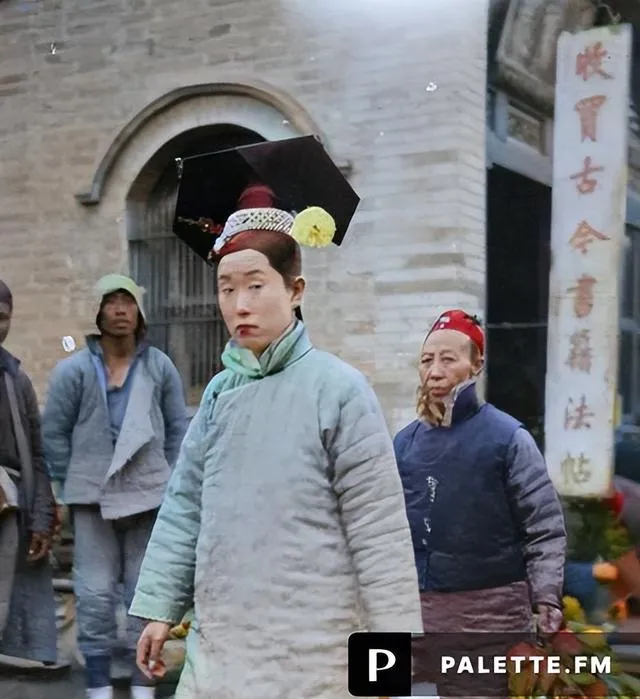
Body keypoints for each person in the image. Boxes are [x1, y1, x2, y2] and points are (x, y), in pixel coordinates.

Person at [129, 136, 423, 699]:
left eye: (256, 285)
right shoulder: (218, 396)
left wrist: (387, 655)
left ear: (295, 290)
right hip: (221, 650)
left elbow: (378, 530)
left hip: (316, 654)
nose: (239, 304)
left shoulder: (340, 390)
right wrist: (161, 609)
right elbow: (184, 508)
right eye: (227, 288)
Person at [394, 309, 567, 697]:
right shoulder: (403, 444)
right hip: (415, 622)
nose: (434, 371)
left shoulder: (508, 438)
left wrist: (546, 598)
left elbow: (544, 529)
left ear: (476, 364)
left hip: (490, 623)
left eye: (448, 359)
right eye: (427, 360)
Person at [42, 274, 188, 699]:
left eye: (128, 302)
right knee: (93, 593)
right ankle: (98, 686)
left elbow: (178, 429)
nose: (121, 310)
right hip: (92, 501)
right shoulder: (74, 371)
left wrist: (165, 478)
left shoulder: (158, 367)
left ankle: (143, 686)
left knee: (145, 592)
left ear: (140, 312)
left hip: (147, 499)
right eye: (111, 302)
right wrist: (73, 481)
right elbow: (55, 434)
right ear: (98, 312)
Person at [0, 279, 58, 665]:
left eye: (1, 317)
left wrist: (41, 519)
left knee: (7, 607)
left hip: (10, 508)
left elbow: (36, 454)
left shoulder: (15, 380)